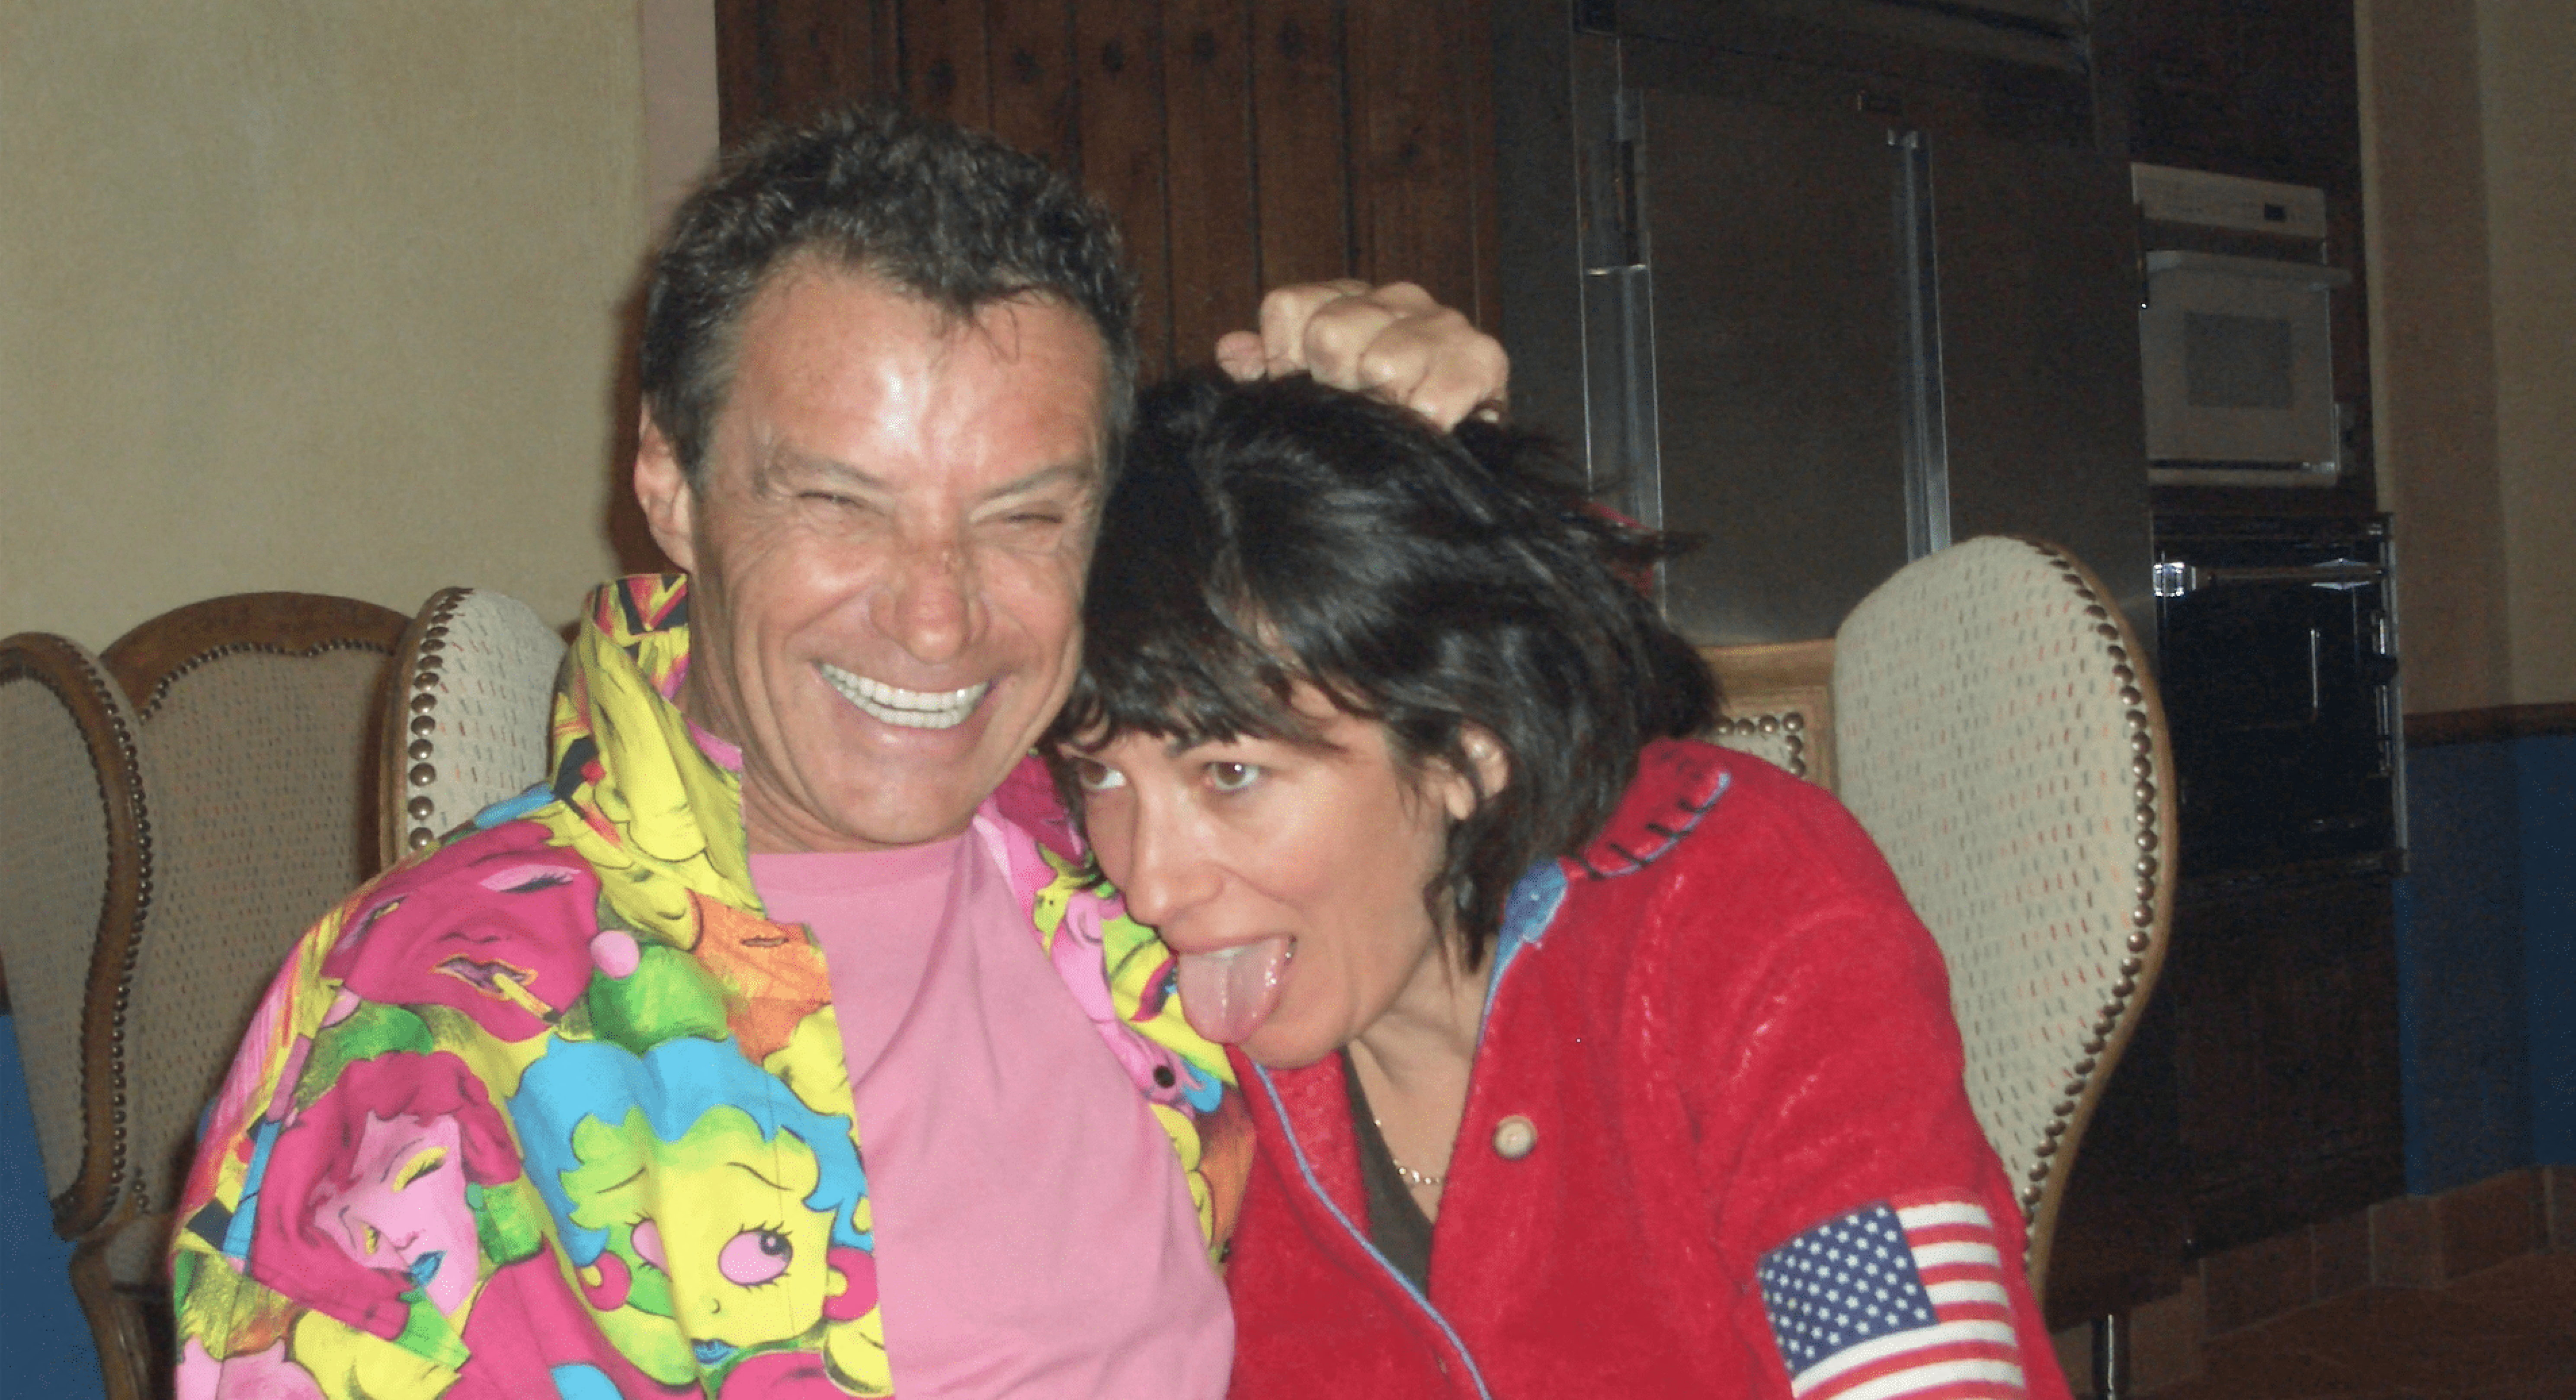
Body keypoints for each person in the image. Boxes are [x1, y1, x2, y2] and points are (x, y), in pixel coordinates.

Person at [169, 107, 1506, 1400]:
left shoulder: (1147, 854)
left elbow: (1551, 868)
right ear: (669, 484)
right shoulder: (435, 1030)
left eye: (1024, 517)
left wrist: (1435, 467)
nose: (937, 615)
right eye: (838, 503)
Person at [1047, 372, 2073, 1399]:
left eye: (1231, 774)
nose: (1150, 882)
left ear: (1465, 746)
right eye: (1101, 775)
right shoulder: (1152, 1032)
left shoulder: (1746, 909)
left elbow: (1910, 1373)